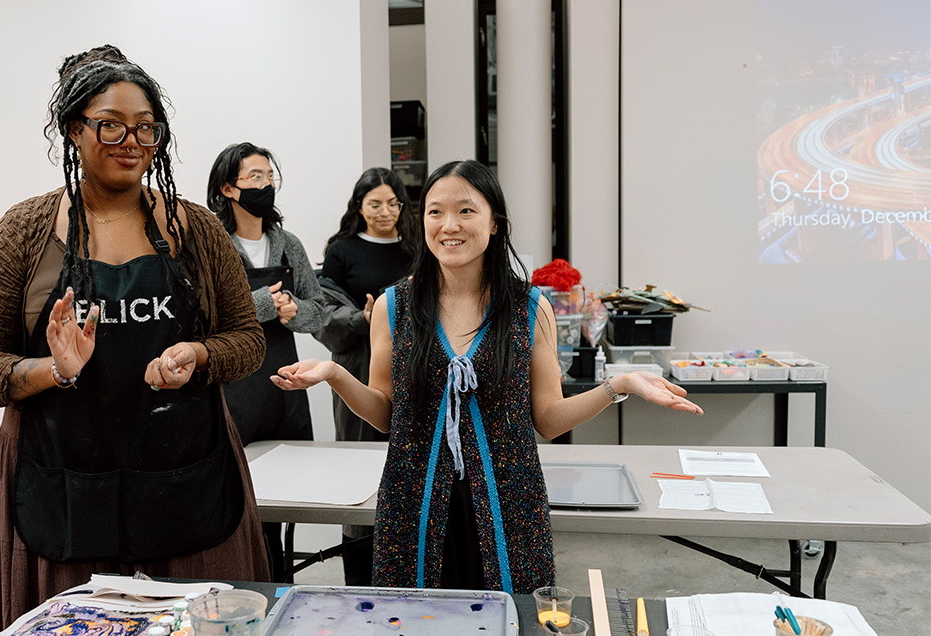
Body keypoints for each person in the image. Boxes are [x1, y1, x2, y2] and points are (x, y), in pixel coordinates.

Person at [0, 46, 271, 636]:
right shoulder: (23, 233)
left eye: (148, 127)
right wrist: (53, 370)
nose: (133, 142)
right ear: (73, 129)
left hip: (188, 476)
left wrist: (198, 355)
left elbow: (246, 339)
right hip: (63, 484)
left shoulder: (195, 227)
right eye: (112, 125)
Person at [272, 160, 702, 594]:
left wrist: (619, 384)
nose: (448, 225)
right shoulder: (394, 307)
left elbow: (549, 418)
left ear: (494, 223)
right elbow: (387, 415)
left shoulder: (529, 307)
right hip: (414, 504)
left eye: (466, 210)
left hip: (508, 507)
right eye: (435, 211)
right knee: (415, 634)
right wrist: (334, 374)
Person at [207, 142, 324, 581]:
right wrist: (261, 304)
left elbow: (320, 311)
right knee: (240, 501)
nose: (266, 184)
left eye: (269, 176)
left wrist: (296, 311)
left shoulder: (287, 244)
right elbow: (203, 317)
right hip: (236, 391)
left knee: (286, 499)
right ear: (228, 188)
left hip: (285, 387)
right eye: (255, 177)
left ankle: (282, 585)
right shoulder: (212, 244)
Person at [314, 167, 416, 585]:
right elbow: (324, 316)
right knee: (359, 462)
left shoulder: (417, 247)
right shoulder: (341, 250)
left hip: (410, 365)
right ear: (359, 206)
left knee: (407, 454)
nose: (385, 211)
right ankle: (358, 570)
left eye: (393, 203)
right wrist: (366, 317)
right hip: (357, 366)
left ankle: (409, 558)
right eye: (375, 203)